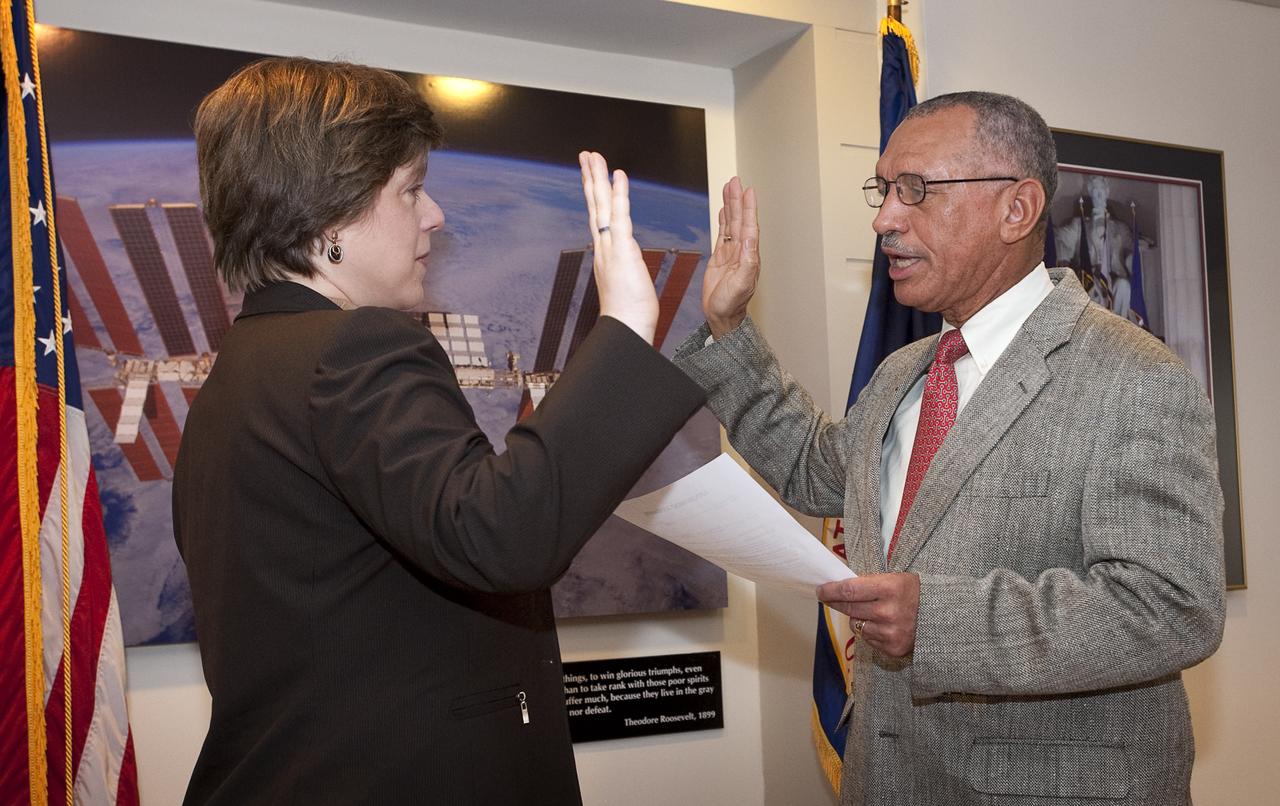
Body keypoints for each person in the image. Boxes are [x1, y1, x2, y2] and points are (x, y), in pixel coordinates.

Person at [173, 57, 704, 805]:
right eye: (411, 190)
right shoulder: (350, 350)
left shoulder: (239, 374)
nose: (435, 217)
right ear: (330, 218)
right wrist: (622, 327)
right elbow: (503, 533)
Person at [673, 91, 1224, 805]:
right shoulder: (906, 372)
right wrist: (727, 324)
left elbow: (1173, 607)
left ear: (1016, 210)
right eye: (882, 189)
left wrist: (937, 622)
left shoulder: (1134, 378)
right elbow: (816, 468)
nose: (883, 219)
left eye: (915, 191)